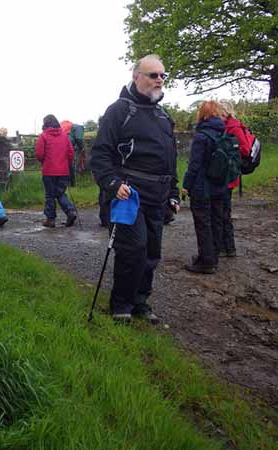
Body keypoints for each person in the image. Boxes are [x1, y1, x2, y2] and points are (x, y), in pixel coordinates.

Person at [90, 54, 180, 323]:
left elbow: (171, 159)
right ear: (136, 76)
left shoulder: (164, 116)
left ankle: (140, 302)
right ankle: (121, 305)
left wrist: (174, 192)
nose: (159, 80)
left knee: (152, 252)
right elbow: (100, 155)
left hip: (159, 195)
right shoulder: (118, 111)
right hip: (128, 194)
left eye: (163, 75)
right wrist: (112, 184)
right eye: (153, 75)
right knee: (134, 249)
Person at [182, 101, 227, 274]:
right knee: (216, 222)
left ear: (203, 115)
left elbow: (194, 165)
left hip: (202, 187)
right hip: (220, 186)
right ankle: (211, 257)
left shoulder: (201, 136)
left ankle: (206, 263)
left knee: (203, 224)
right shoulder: (224, 133)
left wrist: (186, 185)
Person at [219, 100, 252, 257]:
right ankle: (226, 246)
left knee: (224, 212)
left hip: (229, 175)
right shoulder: (229, 126)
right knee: (223, 211)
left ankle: (229, 247)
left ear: (224, 112)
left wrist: (229, 152)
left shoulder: (234, 127)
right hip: (226, 175)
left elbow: (245, 149)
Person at [36, 114, 77, 228]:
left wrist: (44, 161)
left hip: (49, 171)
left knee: (50, 195)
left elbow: (39, 155)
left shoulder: (43, 136)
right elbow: (71, 153)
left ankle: (50, 219)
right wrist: (65, 164)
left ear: (45, 124)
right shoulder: (64, 136)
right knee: (60, 193)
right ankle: (70, 211)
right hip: (63, 171)